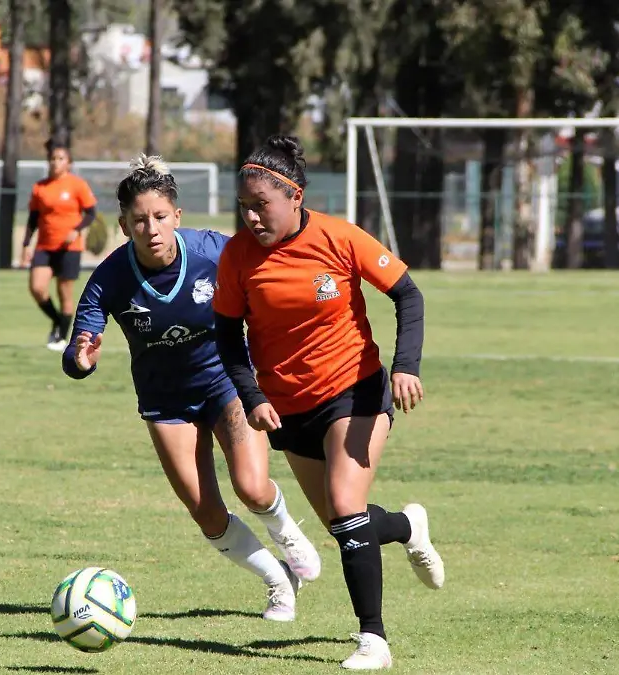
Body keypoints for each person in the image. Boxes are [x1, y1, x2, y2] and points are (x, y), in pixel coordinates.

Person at [213, 135, 445, 670]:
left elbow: (408, 293)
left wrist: (406, 366)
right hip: (285, 407)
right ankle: (409, 526)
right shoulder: (237, 256)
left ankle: (373, 640)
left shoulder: (339, 237)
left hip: (355, 389)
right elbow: (227, 335)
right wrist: (251, 397)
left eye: (261, 205)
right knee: (348, 526)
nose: (251, 216)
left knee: (345, 510)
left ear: (294, 198)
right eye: (243, 206)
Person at [62, 155, 322, 621]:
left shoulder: (212, 251)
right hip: (165, 402)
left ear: (176, 216)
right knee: (207, 515)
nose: (152, 229)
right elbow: (79, 343)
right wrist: (81, 358)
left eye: (160, 217)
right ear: (124, 226)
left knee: (253, 488)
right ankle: (277, 581)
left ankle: (286, 532)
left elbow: (268, 266)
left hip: (225, 382)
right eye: (139, 221)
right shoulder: (110, 277)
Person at [22, 140, 98, 351]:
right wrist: (26, 244)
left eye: (61, 159)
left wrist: (76, 230)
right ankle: (57, 320)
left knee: (65, 293)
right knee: (37, 288)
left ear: (69, 163)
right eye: (53, 159)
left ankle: (61, 338)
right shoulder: (40, 187)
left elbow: (91, 213)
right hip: (45, 247)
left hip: (69, 249)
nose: (56, 162)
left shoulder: (77, 185)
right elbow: (33, 219)